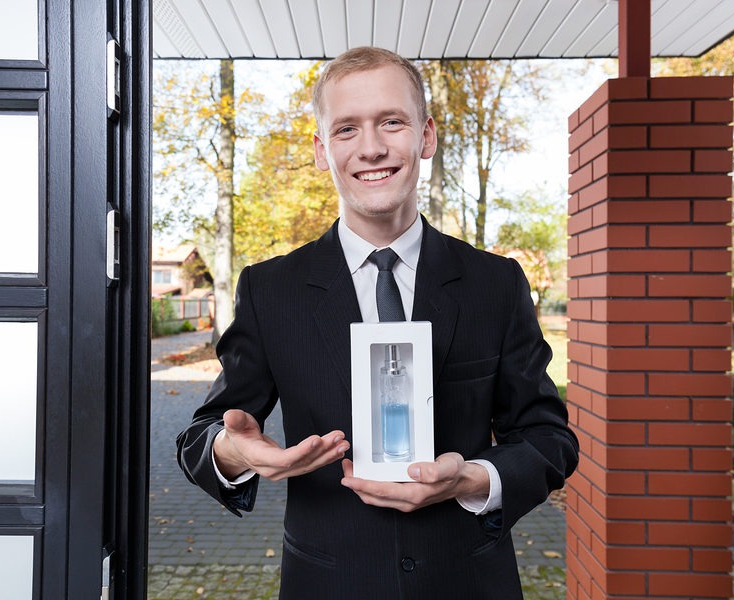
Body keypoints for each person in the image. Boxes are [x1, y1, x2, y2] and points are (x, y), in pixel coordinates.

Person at [176, 47, 579, 599]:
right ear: (322, 150)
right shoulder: (271, 290)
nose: (371, 147)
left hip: (468, 583)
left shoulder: (496, 284)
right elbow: (202, 435)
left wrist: (470, 479)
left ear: (426, 137)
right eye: (346, 129)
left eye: (392, 121)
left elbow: (548, 439)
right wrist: (235, 450)